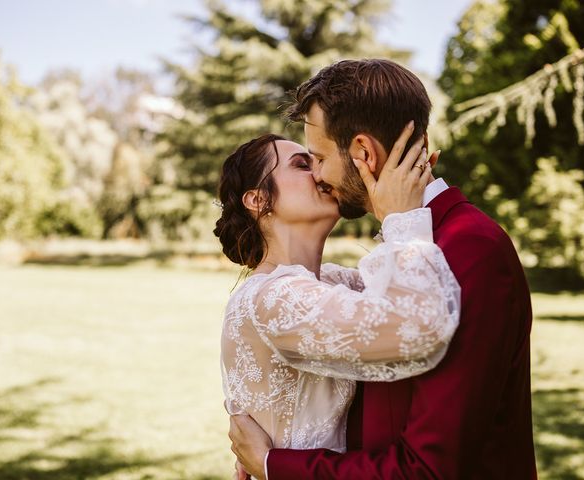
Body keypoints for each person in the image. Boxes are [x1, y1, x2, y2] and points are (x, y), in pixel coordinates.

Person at [229, 59, 537, 479]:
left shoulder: (469, 249)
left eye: (316, 157)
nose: (318, 175)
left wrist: (272, 464)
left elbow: (428, 469)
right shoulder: (409, 248)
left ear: (363, 153)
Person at [214, 128, 461, 476]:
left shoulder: (328, 281)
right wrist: (401, 218)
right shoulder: (273, 298)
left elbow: (410, 284)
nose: (320, 173)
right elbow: (415, 324)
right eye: (302, 164)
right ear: (258, 201)